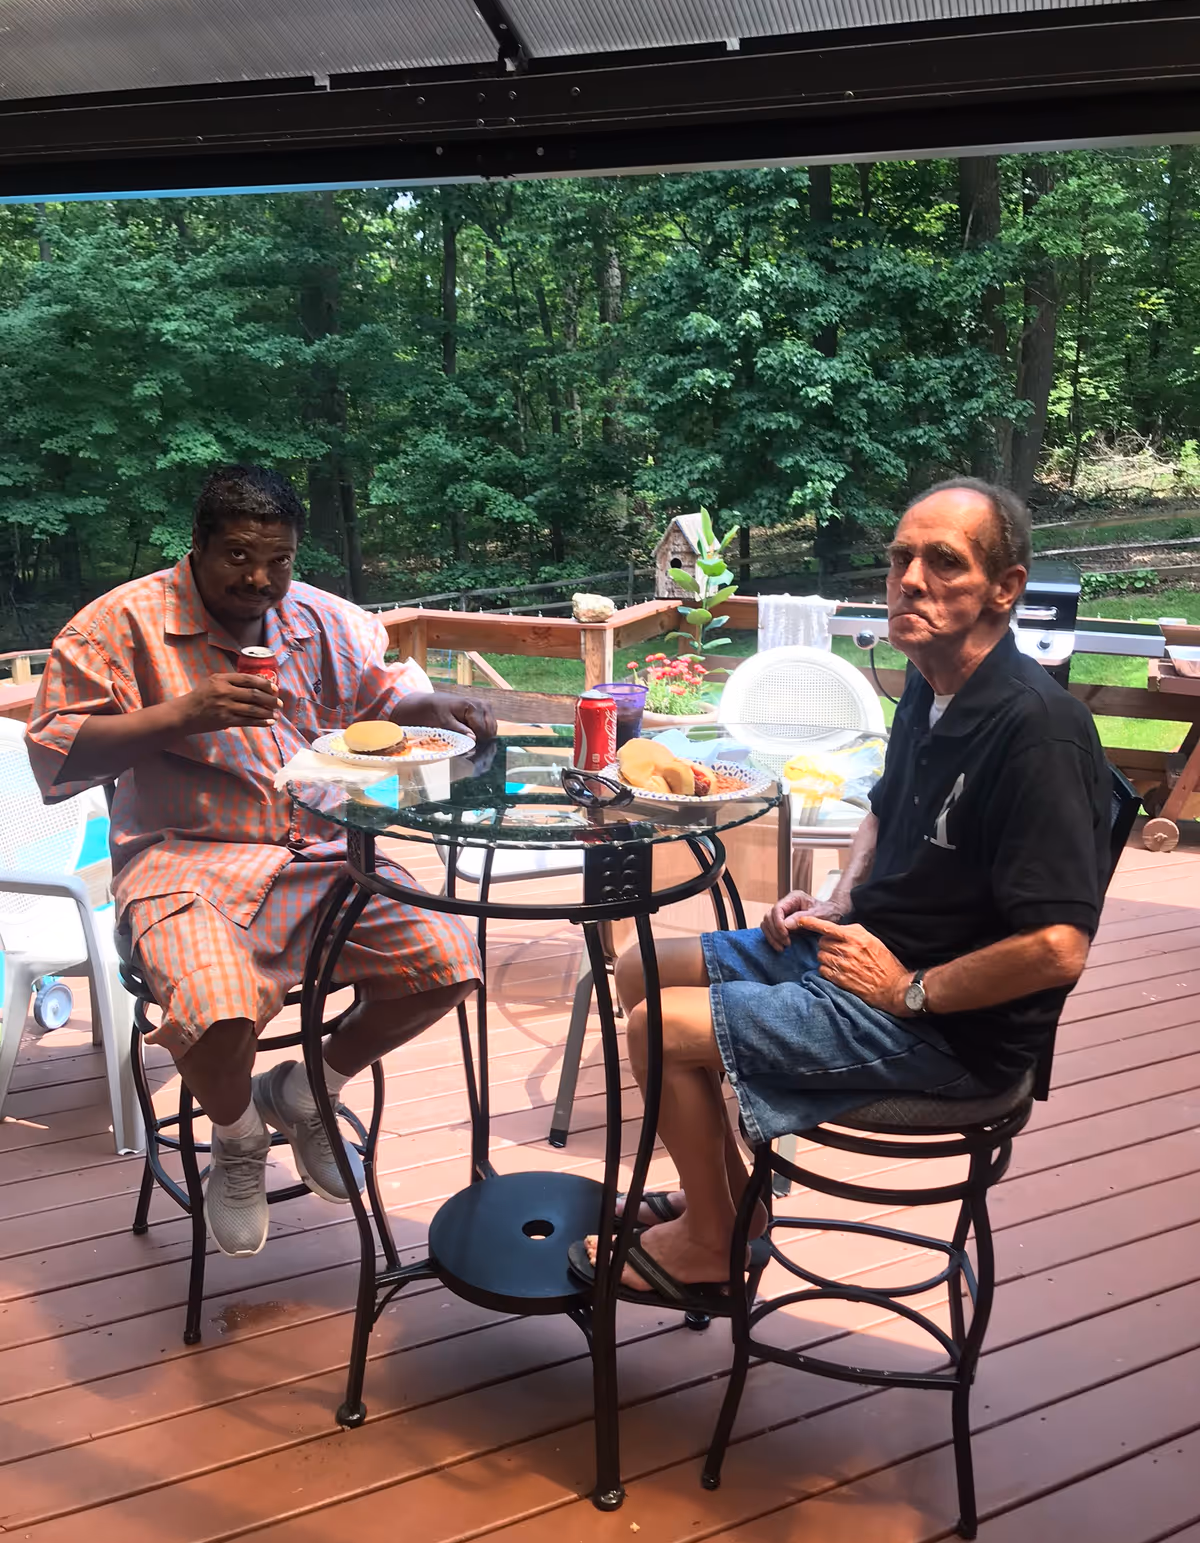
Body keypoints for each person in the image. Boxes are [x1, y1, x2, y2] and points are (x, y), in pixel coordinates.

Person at [571, 478, 1111, 1309]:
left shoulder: (1039, 731)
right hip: (862, 955)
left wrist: (912, 991)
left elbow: (1058, 948)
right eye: (901, 559)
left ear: (1006, 588)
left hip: (949, 1030)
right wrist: (837, 899)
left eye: (943, 561)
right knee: (642, 971)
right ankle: (733, 1207)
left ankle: (711, 1243)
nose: (911, 580)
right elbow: (887, 808)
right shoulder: (930, 685)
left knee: (657, 1030)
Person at [27, 465, 495, 1258]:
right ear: (199, 545)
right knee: (218, 1006)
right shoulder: (119, 625)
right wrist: (181, 714)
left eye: (278, 560)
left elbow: (380, 704)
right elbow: (53, 759)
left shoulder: (318, 618)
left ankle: (310, 1089)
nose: (261, 579)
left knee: (450, 961)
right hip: (184, 861)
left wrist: (434, 708)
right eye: (239, 557)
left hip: (322, 853)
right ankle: (237, 1135)